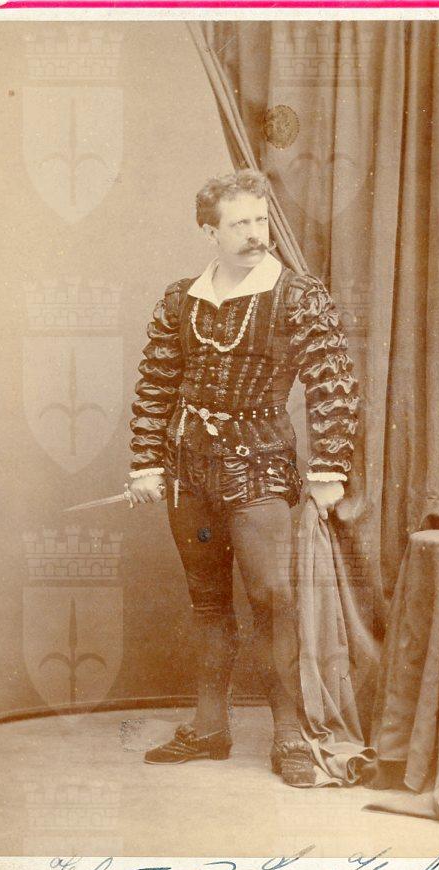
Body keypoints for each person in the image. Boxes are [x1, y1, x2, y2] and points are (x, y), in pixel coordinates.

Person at [129, 169, 358, 786]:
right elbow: (156, 384)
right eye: (240, 223)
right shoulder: (181, 300)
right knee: (208, 603)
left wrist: (330, 467)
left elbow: (332, 383)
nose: (257, 233)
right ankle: (210, 729)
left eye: (261, 220)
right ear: (210, 231)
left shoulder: (297, 295)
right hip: (187, 472)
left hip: (260, 469)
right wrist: (146, 462)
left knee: (272, 600)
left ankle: (290, 735)